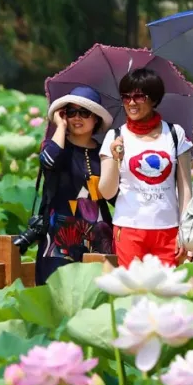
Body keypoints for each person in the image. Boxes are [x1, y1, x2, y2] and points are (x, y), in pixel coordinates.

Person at [98, 68, 193, 267]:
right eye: (126, 97)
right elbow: (106, 192)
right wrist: (116, 159)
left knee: (167, 290)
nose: (131, 103)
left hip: (168, 229)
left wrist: (186, 230)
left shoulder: (175, 133)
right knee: (133, 292)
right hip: (129, 228)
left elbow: (185, 188)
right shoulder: (114, 136)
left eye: (139, 96)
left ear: (154, 99)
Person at [35, 86, 116, 285]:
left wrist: (117, 160)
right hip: (61, 237)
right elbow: (49, 162)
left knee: (99, 296)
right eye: (71, 112)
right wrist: (60, 127)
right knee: (58, 295)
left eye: (84, 112)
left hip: (99, 234)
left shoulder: (105, 152)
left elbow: (114, 196)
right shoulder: (54, 145)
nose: (76, 118)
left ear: (96, 118)